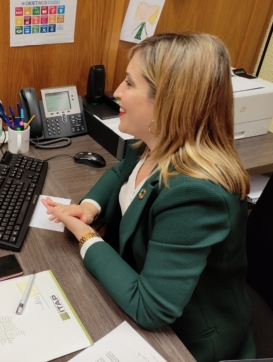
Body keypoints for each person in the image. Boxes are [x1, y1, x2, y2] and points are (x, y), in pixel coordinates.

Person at [42, 33, 255, 362]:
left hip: (186, 342)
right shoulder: (152, 142)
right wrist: (88, 207)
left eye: (129, 83)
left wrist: (85, 236)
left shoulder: (196, 193)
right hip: (137, 282)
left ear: (167, 101)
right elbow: (119, 175)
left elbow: (151, 308)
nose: (116, 93)